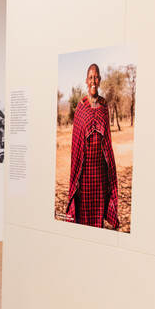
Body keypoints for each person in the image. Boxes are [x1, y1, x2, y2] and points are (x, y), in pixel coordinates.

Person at [66, 63, 119, 229]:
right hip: (85, 171)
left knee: (98, 215)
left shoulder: (104, 106)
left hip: (100, 173)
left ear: (100, 80)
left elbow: (108, 140)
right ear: (86, 81)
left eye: (96, 77)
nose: (93, 80)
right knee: (83, 216)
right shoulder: (81, 107)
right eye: (90, 77)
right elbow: (76, 143)